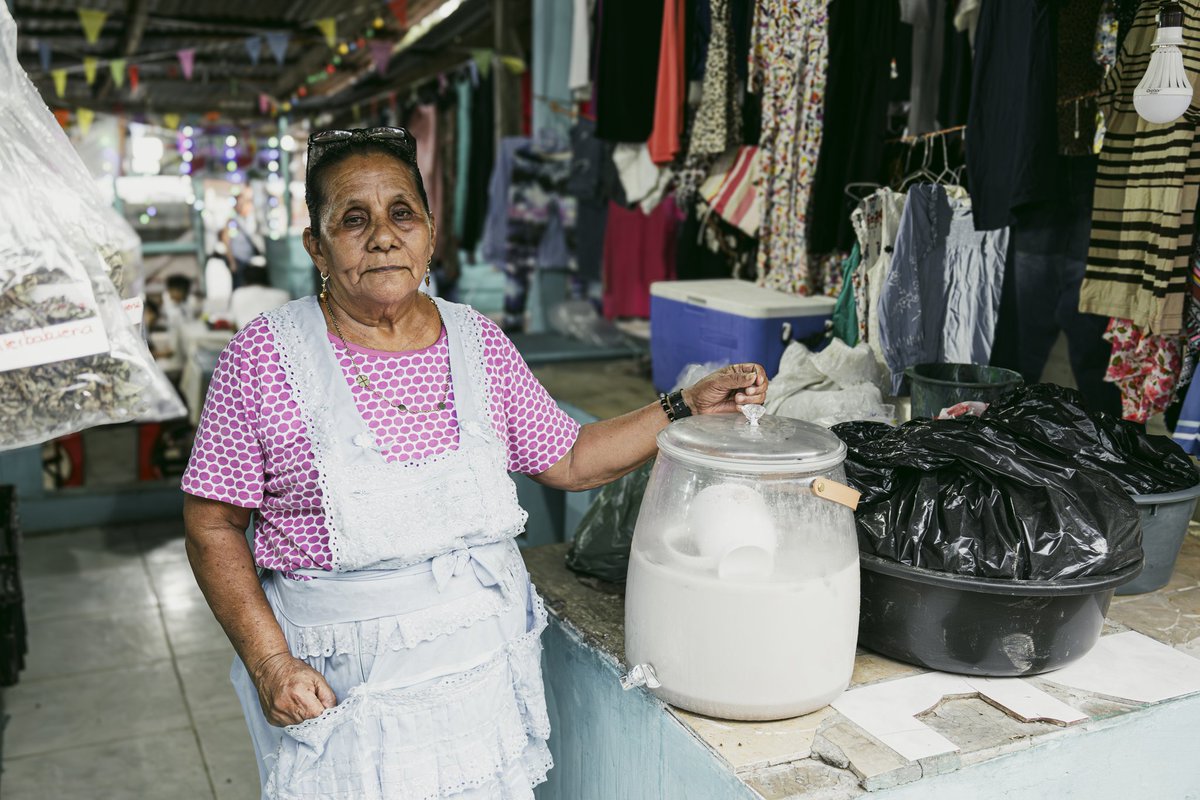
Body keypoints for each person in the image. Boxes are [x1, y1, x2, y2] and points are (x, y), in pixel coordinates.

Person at [180, 126, 768, 799]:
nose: (382, 236)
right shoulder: (263, 356)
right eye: (353, 219)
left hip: (479, 675)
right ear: (316, 244)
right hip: (341, 688)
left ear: (431, 234)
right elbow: (212, 525)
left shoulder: (476, 341)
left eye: (402, 213)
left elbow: (571, 457)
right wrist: (270, 662)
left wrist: (681, 406)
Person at [221, 190, 266, 289]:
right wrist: (232, 261)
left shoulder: (249, 219)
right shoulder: (232, 220)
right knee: (239, 286)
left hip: (249, 260)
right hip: (238, 260)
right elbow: (226, 241)